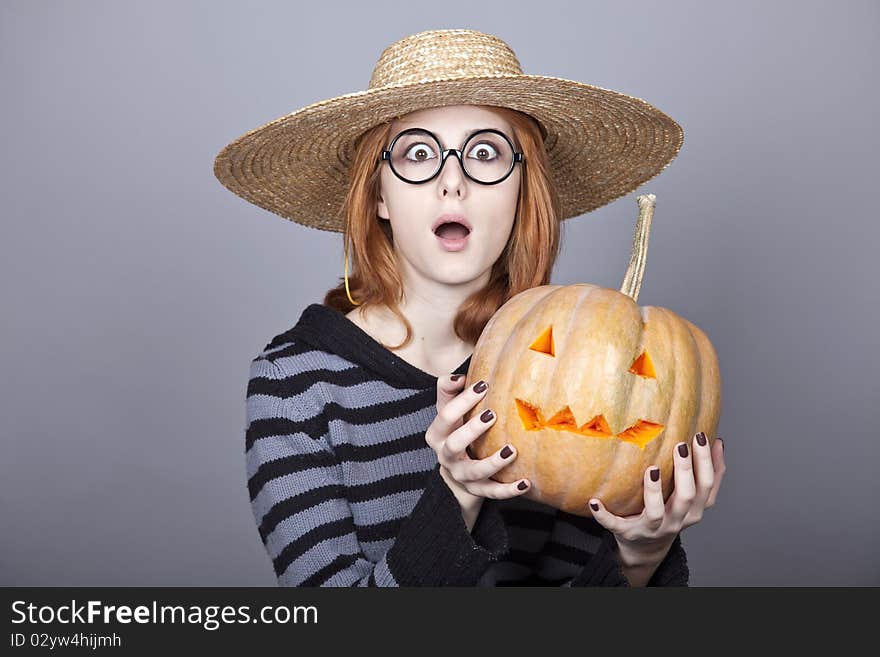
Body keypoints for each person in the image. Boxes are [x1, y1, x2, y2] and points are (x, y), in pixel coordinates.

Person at [215, 29, 727, 586]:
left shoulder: (578, 373)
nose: (452, 183)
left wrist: (640, 555)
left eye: (486, 153)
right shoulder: (293, 383)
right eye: (418, 153)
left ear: (521, 190)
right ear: (378, 195)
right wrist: (456, 495)